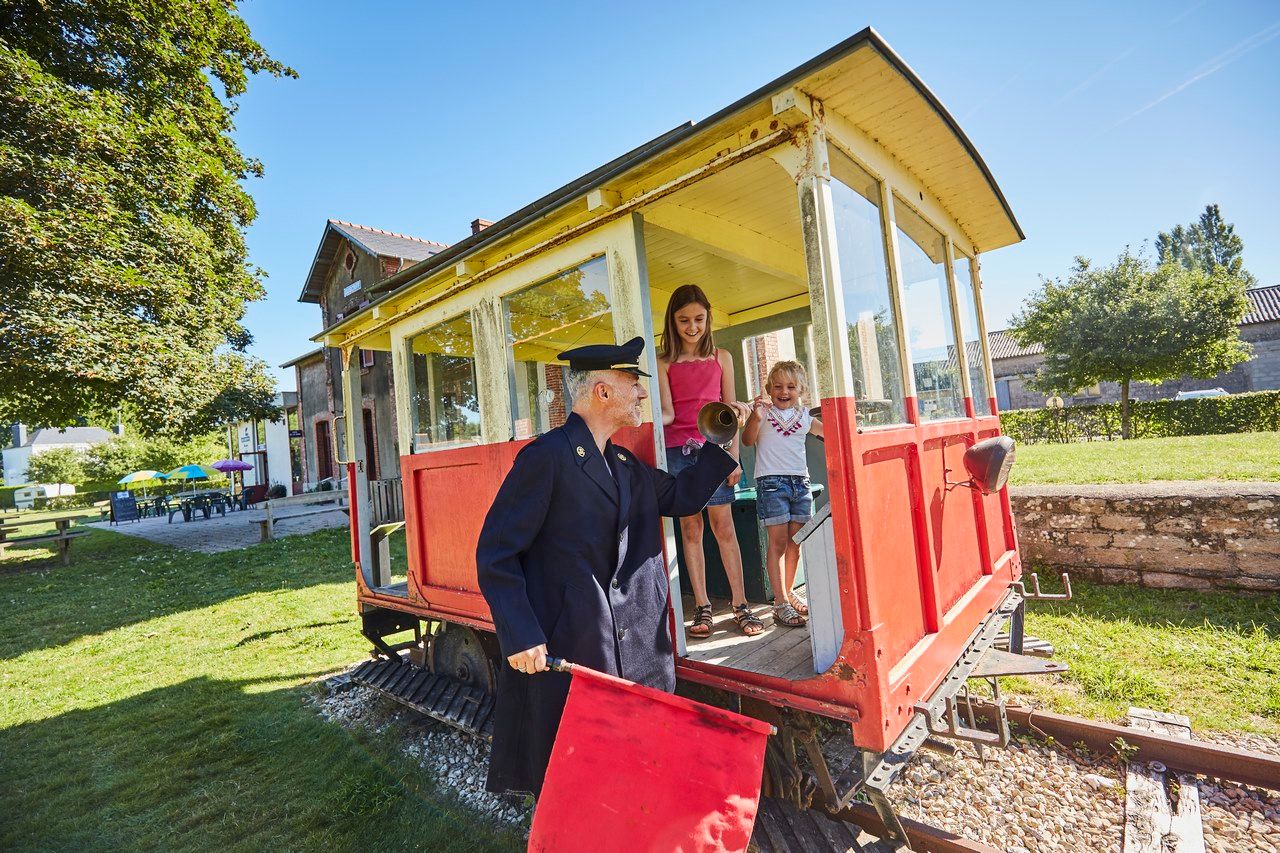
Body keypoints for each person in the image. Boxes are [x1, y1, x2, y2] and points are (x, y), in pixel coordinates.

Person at [475, 336, 739, 798]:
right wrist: (521, 633)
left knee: (634, 772)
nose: (641, 393)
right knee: (580, 780)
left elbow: (681, 497)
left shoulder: (622, 462)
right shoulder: (546, 458)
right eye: (633, 382)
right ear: (601, 392)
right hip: (578, 647)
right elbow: (496, 553)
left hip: (638, 650)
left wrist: (723, 439)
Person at [655, 284, 763, 639]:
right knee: (691, 529)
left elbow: (731, 411)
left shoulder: (722, 358)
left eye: (698, 319)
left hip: (714, 451)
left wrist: (733, 459)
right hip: (676, 453)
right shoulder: (663, 362)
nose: (692, 327)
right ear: (672, 321)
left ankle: (740, 605)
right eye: (684, 320)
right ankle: (702, 607)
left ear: (708, 319)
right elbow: (667, 415)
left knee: (724, 527)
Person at [741, 361, 824, 628]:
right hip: (771, 484)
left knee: (795, 543)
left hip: (801, 484)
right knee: (776, 543)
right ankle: (779, 603)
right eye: (777, 386)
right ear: (769, 389)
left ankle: (788, 594)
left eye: (790, 387)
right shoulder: (764, 415)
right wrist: (754, 417)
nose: (784, 391)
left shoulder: (805, 418)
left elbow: (831, 433)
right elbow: (747, 440)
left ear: (801, 390)